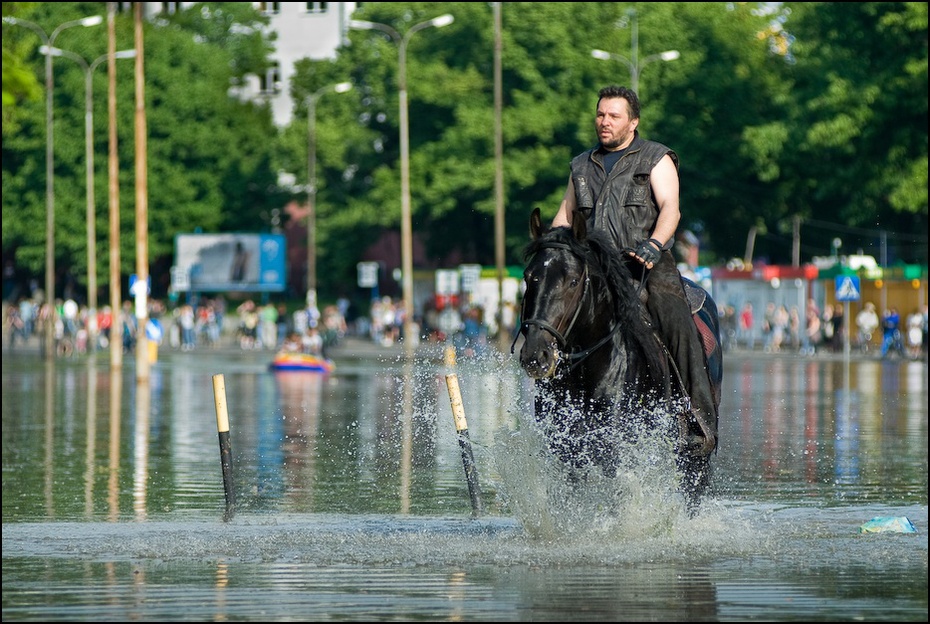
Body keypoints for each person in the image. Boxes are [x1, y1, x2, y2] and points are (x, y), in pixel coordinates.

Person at [551, 85, 717, 456]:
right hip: (595, 268)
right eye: (600, 114)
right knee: (549, 303)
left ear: (633, 122)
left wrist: (654, 244)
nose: (604, 122)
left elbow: (671, 208)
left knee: (676, 318)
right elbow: (565, 215)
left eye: (613, 116)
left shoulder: (656, 158)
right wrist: (552, 248)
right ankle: (549, 402)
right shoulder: (581, 166)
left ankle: (699, 422)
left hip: (645, 265)